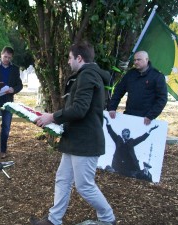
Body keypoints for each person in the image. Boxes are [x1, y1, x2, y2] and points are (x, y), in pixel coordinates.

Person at [30, 41, 116, 225]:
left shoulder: (88, 75)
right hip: (75, 139)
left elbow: (79, 109)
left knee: (84, 186)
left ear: (79, 58)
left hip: (85, 141)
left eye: (70, 58)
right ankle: (54, 219)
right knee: (63, 179)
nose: (68, 62)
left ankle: (108, 219)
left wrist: (52, 117)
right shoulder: (85, 75)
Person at [108, 51, 168, 125]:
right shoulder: (130, 74)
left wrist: (151, 115)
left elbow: (162, 98)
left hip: (146, 120)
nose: (136, 62)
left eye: (139, 60)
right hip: (129, 115)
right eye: (134, 60)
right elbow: (118, 91)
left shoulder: (157, 76)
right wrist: (112, 108)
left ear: (147, 60)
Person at [104, 115, 158, 180]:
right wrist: (107, 120)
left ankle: (145, 172)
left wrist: (150, 130)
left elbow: (141, 138)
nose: (128, 134)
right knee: (115, 173)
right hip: (119, 163)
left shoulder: (131, 142)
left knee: (136, 175)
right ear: (122, 134)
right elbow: (111, 132)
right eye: (126, 132)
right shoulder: (118, 139)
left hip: (130, 164)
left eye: (129, 132)